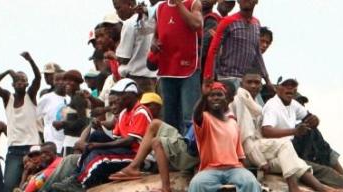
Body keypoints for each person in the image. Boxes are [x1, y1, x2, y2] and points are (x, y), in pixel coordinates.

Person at [231, 71, 343, 192]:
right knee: (284, 143)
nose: (254, 86)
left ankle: (324, 191)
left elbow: (308, 117)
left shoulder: (256, 104)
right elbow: (245, 137)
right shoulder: (241, 99)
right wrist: (260, 162)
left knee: (294, 161)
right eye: (250, 82)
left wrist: (313, 121)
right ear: (242, 84)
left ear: (261, 86)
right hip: (249, 153)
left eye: (257, 83)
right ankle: (294, 191)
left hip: (262, 149)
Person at [179, 82, 264, 192]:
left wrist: (247, 170)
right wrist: (203, 95)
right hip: (211, 169)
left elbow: (240, 154)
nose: (215, 98)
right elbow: (196, 115)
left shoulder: (233, 123)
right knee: (197, 183)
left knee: (250, 182)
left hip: (234, 168)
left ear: (226, 99)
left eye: (219, 95)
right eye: (212, 95)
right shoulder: (204, 118)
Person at [108, 94, 197, 192]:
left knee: (156, 142)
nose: (145, 108)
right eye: (144, 105)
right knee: (155, 124)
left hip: (189, 152)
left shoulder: (142, 116)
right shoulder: (138, 115)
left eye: (148, 105)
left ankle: (166, 188)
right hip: (184, 141)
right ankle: (134, 167)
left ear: (157, 107)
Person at [0, 52, 42, 192]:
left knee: (32, 181)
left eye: (23, 80)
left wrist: (31, 61)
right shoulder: (8, 98)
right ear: (13, 84)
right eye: (17, 81)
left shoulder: (30, 96)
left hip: (32, 147)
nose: (20, 83)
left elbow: (38, 78)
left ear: (26, 83)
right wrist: (7, 72)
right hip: (14, 149)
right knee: (10, 184)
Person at [75, 79, 152, 188]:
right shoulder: (123, 114)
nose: (119, 99)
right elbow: (117, 140)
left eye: (121, 96)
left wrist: (99, 146)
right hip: (127, 150)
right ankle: (76, 175)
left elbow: (130, 141)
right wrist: (97, 134)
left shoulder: (141, 112)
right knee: (96, 136)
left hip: (140, 156)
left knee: (97, 154)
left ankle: (80, 183)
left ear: (131, 95)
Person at [152, 0, 203, 134]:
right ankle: (173, 151)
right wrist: (154, 44)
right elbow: (156, 35)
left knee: (189, 116)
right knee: (169, 119)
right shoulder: (160, 8)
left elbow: (197, 24)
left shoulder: (193, 3)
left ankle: (191, 151)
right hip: (167, 69)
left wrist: (179, 4)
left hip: (188, 69)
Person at [203, 0, 271, 92]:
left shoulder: (256, 24)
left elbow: (257, 54)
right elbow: (213, 50)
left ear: (256, 1)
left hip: (247, 80)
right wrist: (208, 77)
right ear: (238, 1)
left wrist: (267, 80)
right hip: (227, 78)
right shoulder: (227, 21)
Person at [114, 0, 157, 93]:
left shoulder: (129, 24)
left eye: (118, 8)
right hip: (154, 78)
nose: (117, 13)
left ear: (129, 4)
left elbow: (124, 58)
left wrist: (112, 55)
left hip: (137, 80)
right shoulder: (152, 20)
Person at [37, 71, 67, 154]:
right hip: (52, 146)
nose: (60, 82)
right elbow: (33, 117)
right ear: (53, 82)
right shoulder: (47, 98)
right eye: (57, 80)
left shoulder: (71, 98)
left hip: (68, 144)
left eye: (63, 79)